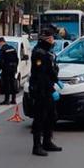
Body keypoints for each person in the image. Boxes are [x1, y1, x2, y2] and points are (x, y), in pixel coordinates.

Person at [29, 28, 62, 156]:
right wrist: (52, 89)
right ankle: (36, 146)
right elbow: (41, 76)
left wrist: (57, 80)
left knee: (51, 116)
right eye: (52, 38)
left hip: (47, 89)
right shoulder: (39, 53)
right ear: (46, 39)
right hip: (40, 90)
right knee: (40, 118)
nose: (53, 40)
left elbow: (50, 71)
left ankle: (47, 142)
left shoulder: (47, 52)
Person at [0, 37, 19, 105]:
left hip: (6, 69)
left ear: (1, 42)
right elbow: (17, 59)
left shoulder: (2, 49)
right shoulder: (12, 48)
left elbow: (2, 61)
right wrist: (15, 68)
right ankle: (13, 99)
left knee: (7, 84)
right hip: (13, 68)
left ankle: (7, 100)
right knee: (12, 83)